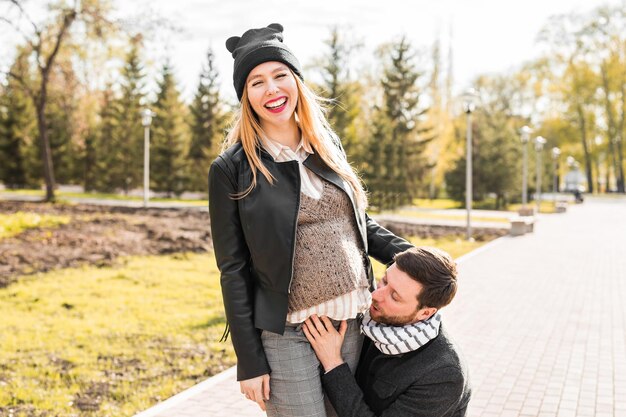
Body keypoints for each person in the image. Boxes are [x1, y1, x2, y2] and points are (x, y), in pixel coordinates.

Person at [208, 23, 413, 416]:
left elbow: (357, 224)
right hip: (286, 331)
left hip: (349, 323)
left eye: (280, 75)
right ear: (245, 97)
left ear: (296, 80)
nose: (272, 89)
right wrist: (248, 361)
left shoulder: (325, 143)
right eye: (257, 82)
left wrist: (414, 255)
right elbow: (231, 269)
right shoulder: (231, 168)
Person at [303, 247, 471, 417]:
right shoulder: (375, 323)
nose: (375, 294)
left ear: (425, 313)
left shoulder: (443, 375)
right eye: (384, 280)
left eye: (394, 296)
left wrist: (333, 363)